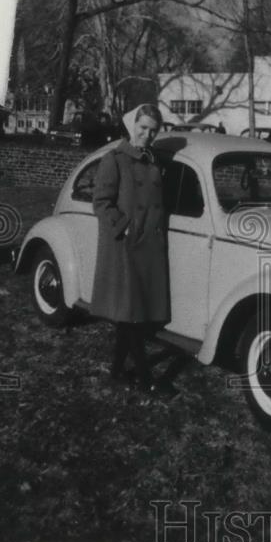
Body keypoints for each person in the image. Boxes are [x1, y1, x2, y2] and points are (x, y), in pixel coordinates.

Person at [90, 103, 175, 398]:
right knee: (132, 317)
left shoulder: (153, 162)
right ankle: (145, 378)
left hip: (149, 247)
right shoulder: (114, 159)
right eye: (143, 128)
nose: (147, 135)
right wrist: (123, 226)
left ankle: (116, 371)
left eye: (153, 130)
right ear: (132, 126)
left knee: (131, 317)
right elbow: (101, 201)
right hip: (125, 247)